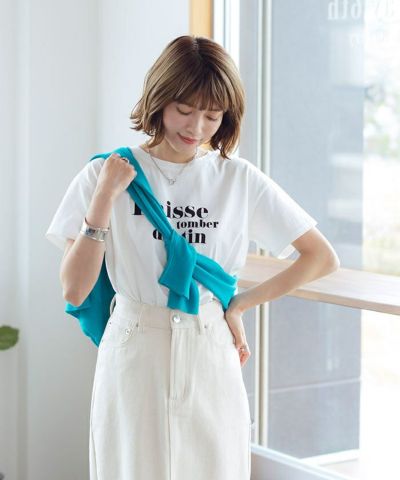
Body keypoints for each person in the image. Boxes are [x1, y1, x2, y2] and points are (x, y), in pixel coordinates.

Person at [45, 35, 339, 480]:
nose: (196, 127)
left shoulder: (237, 179)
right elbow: (74, 288)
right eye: (184, 109)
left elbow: (320, 257)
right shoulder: (106, 172)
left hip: (209, 343)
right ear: (160, 99)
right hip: (135, 345)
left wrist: (240, 304)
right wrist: (104, 197)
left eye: (212, 115)